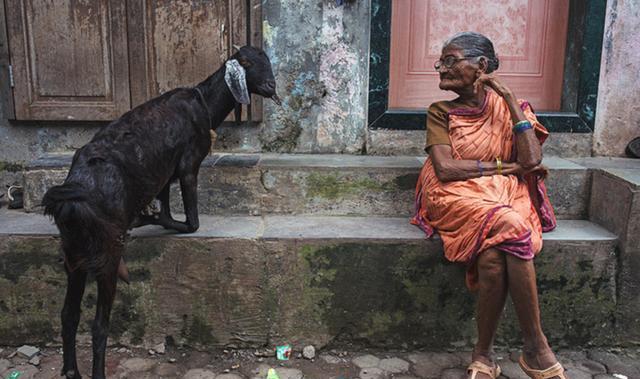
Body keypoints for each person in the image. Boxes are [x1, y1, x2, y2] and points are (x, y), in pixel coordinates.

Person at [411, 32, 567, 379]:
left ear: (481, 66)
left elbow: (530, 158)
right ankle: (536, 347)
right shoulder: (441, 111)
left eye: (450, 60)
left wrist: (510, 99)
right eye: (441, 61)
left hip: (503, 194)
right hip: (453, 193)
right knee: (512, 225)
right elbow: (446, 168)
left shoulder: (514, 107)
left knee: (495, 256)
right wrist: (504, 167)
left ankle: (483, 355)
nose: (441, 68)